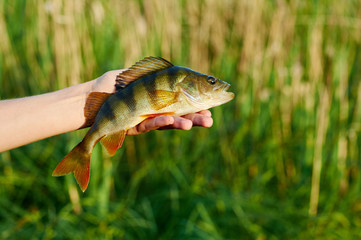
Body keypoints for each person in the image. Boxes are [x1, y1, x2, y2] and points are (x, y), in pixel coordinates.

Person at [0, 70, 213, 152]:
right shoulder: (177, 83)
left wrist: (87, 97)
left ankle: (86, 147)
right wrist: (92, 95)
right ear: (189, 84)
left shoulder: (179, 86)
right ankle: (84, 150)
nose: (215, 85)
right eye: (210, 82)